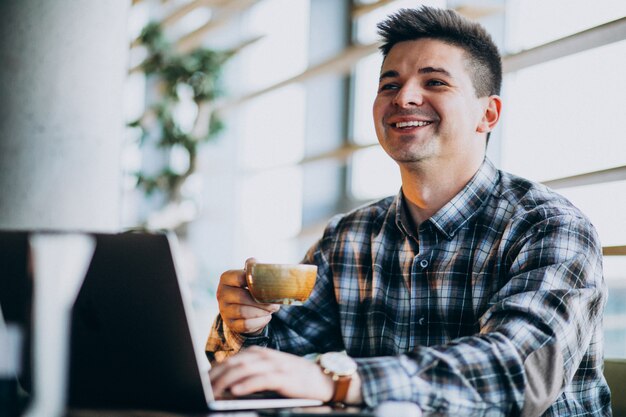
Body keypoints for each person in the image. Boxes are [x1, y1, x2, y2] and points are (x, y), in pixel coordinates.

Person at [206, 5, 611, 416]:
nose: (405, 98)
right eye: (389, 85)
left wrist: (339, 381)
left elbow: (516, 370)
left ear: (487, 114)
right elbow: (267, 364)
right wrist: (248, 326)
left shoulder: (549, 227)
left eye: (434, 81)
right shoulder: (349, 237)